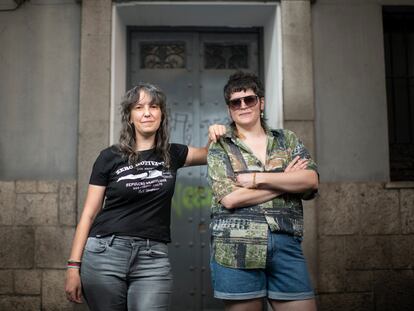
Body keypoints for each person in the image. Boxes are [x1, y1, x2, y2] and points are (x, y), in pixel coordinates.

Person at [65, 82, 226, 311]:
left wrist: (214, 134)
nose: (147, 112)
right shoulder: (109, 157)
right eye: (139, 107)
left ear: (161, 114)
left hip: (152, 257)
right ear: (130, 117)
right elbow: (89, 214)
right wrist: (73, 266)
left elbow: (209, 154)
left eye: (154, 106)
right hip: (104, 252)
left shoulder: (173, 154)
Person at [207, 71, 319, 311]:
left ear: (261, 103)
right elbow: (230, 198)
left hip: (286, 244)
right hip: (236, 246)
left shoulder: (286, 140)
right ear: (229, 109)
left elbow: (310, 180)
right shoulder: (221, 147)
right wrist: (286, 182)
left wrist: (257, 179)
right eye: (236, 102)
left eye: (250, 99)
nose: (243, 105)